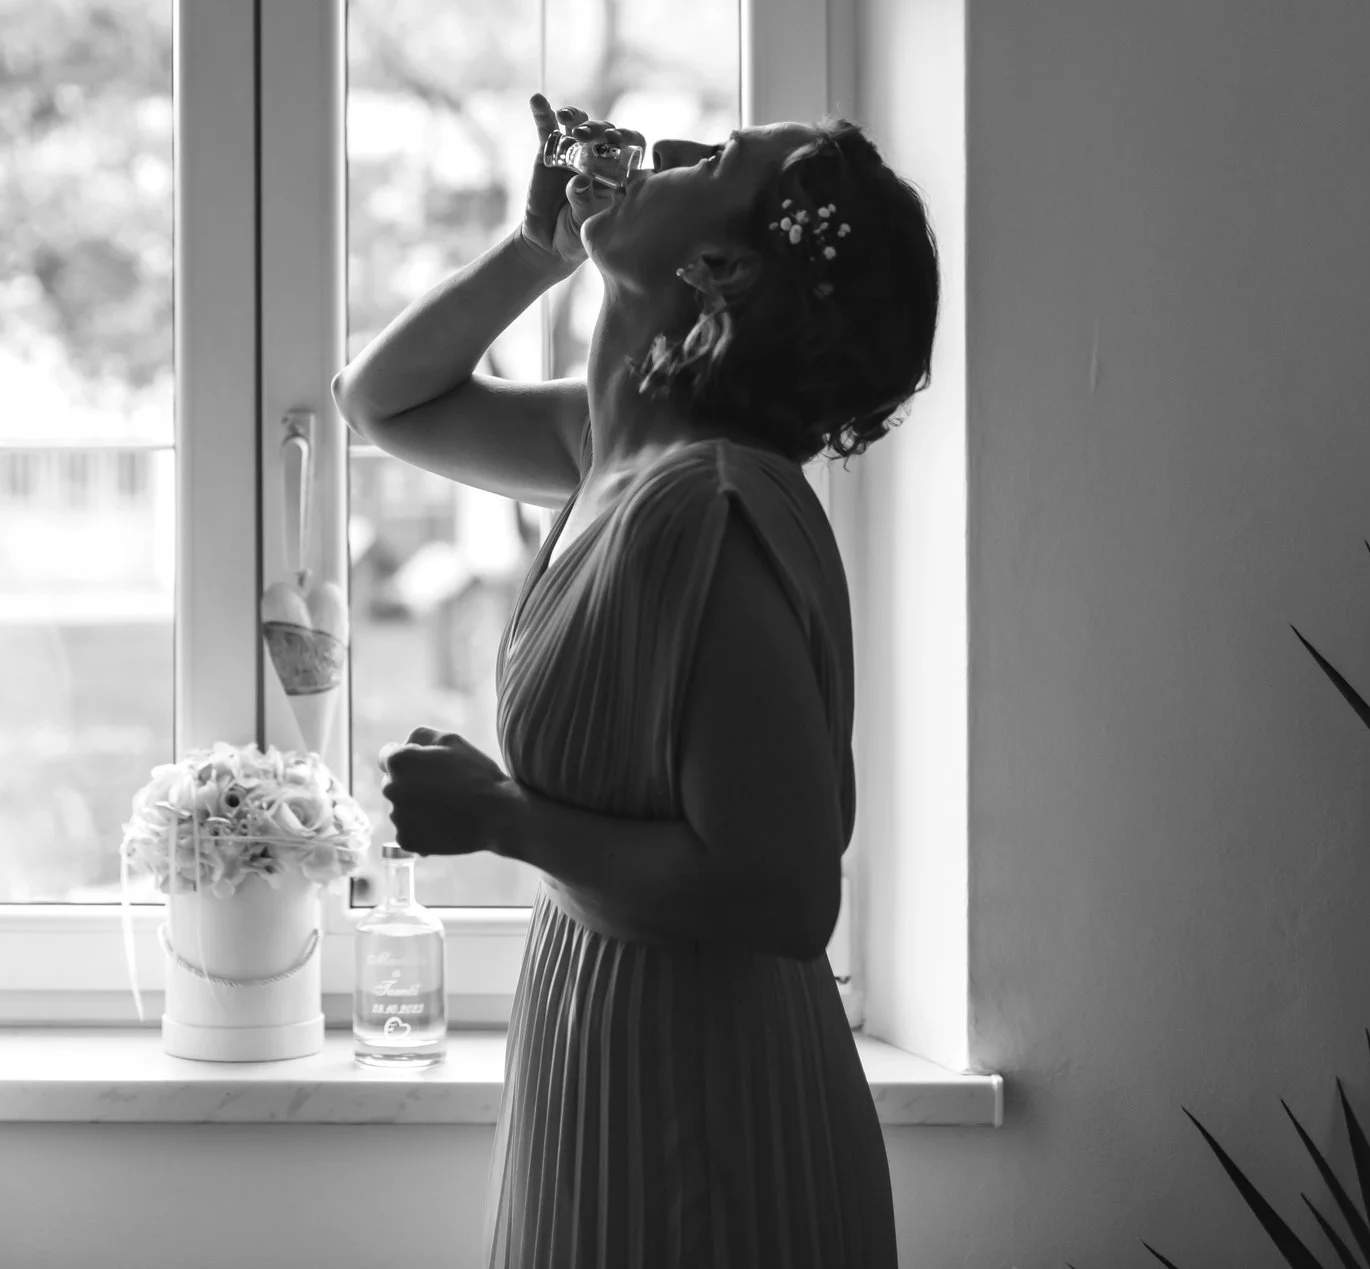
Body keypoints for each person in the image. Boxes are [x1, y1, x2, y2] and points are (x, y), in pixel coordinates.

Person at [343, 96, 937, 1267]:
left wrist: (502, 817)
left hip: (702, 1110)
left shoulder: (706, 505)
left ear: (717, 268)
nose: (663, 153)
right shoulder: (613, 451)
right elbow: (384, 402)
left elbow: (778, 893)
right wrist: (534, 253)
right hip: (609, 1048)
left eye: (712, 159)